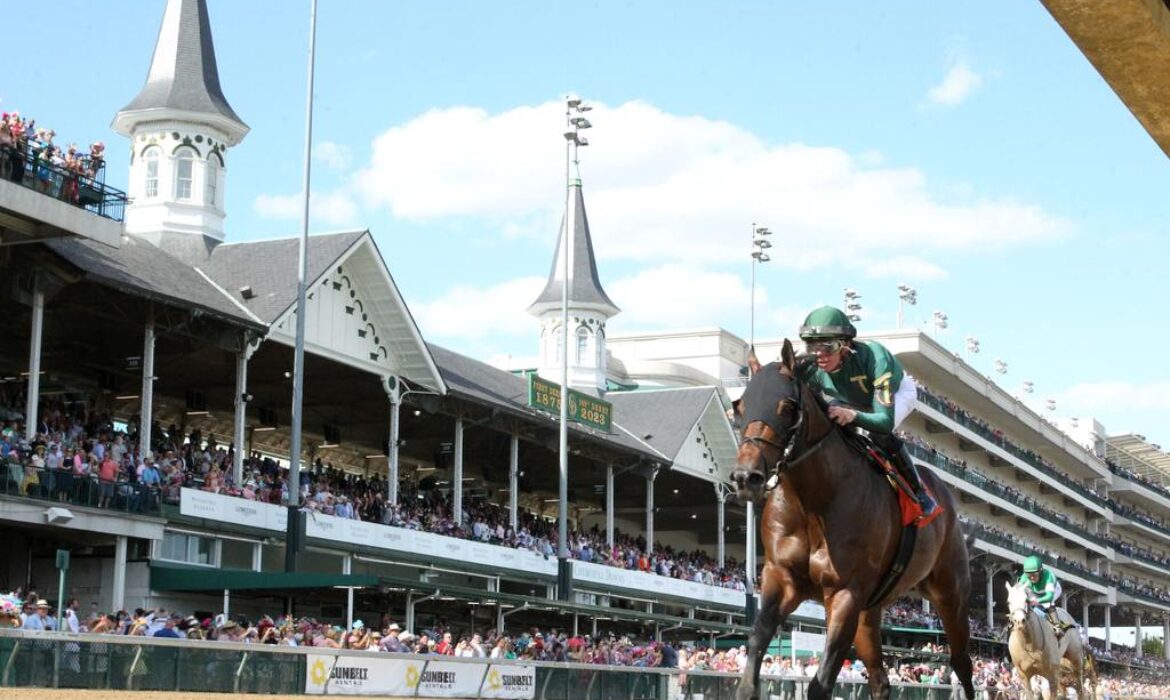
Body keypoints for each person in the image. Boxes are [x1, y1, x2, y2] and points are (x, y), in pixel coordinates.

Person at [797, 305, 939, 522]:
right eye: (813, 347)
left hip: (897, 392)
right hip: (852, 400)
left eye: (828, 347)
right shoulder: (811, 367)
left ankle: (918, 491)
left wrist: (853, 416)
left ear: (845, 345)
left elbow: (882, 421)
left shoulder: (875, 357)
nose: (820, 356)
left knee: (879, 434)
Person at [1018, 555, 1070, 637]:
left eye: (1034, 574)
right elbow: (1018, 590)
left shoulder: (1048, 576)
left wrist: (1037, 601)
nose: (1031, 577)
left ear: (1040, 571)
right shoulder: (1024, 577)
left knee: (1047, 603)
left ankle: (1057, 626)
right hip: (1036, 591)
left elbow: (1049, 596)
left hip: (1053, 590)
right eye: (1029, 574)